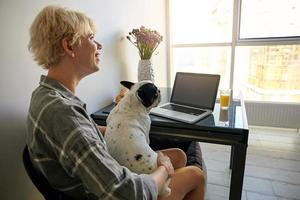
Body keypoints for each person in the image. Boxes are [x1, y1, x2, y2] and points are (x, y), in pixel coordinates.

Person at [26, 5, 205, 200]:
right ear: (69, 46)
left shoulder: (47, 95)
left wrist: (124, 123)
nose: (99, 45)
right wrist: (163, 169)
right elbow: (126, 193)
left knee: (179, 155)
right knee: (195, 175)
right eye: (92, 38)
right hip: (113, 192)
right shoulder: (63, 113)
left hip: (104, 173)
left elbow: (88, 132)